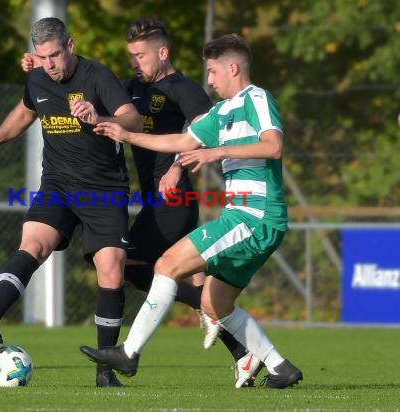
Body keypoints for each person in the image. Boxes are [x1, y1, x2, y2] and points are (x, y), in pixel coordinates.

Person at [23, 19, 263, 389]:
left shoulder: (186, 90)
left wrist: (175, 172)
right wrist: (35, 64)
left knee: (132, 267)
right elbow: (82, 83)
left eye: (141, 55)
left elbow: (203, 133)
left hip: (175, 197)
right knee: (171, 278)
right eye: (131, 55)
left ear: (162, 53)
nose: (134, 62)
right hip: (152, 200)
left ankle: (233, 335)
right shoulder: (131, 88)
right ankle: (240, 344)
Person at [80, 33, 304, 389]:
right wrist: (126, 135)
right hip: (247, 218)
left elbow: (273, 146)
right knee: (215, 305)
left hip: (254, 215)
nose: (210, 80)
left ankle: (130, 353)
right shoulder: (221, 112)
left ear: (233, 68)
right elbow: (181, 142)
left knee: (167, 265)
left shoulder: (256, 98)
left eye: (214, 72)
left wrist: (214, 153)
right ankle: (281, 368)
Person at [0, 17, 143, 388]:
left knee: (112, 268)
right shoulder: (38, 77)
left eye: (55, 55)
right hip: (57, 184)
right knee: (33, 244)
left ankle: (104, 372)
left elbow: (133, 119)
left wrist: (100, 116)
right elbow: (26, 112)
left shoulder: (97, 77)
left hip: (103, 189)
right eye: (42, 57)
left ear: (70, 46)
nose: (50, 64)